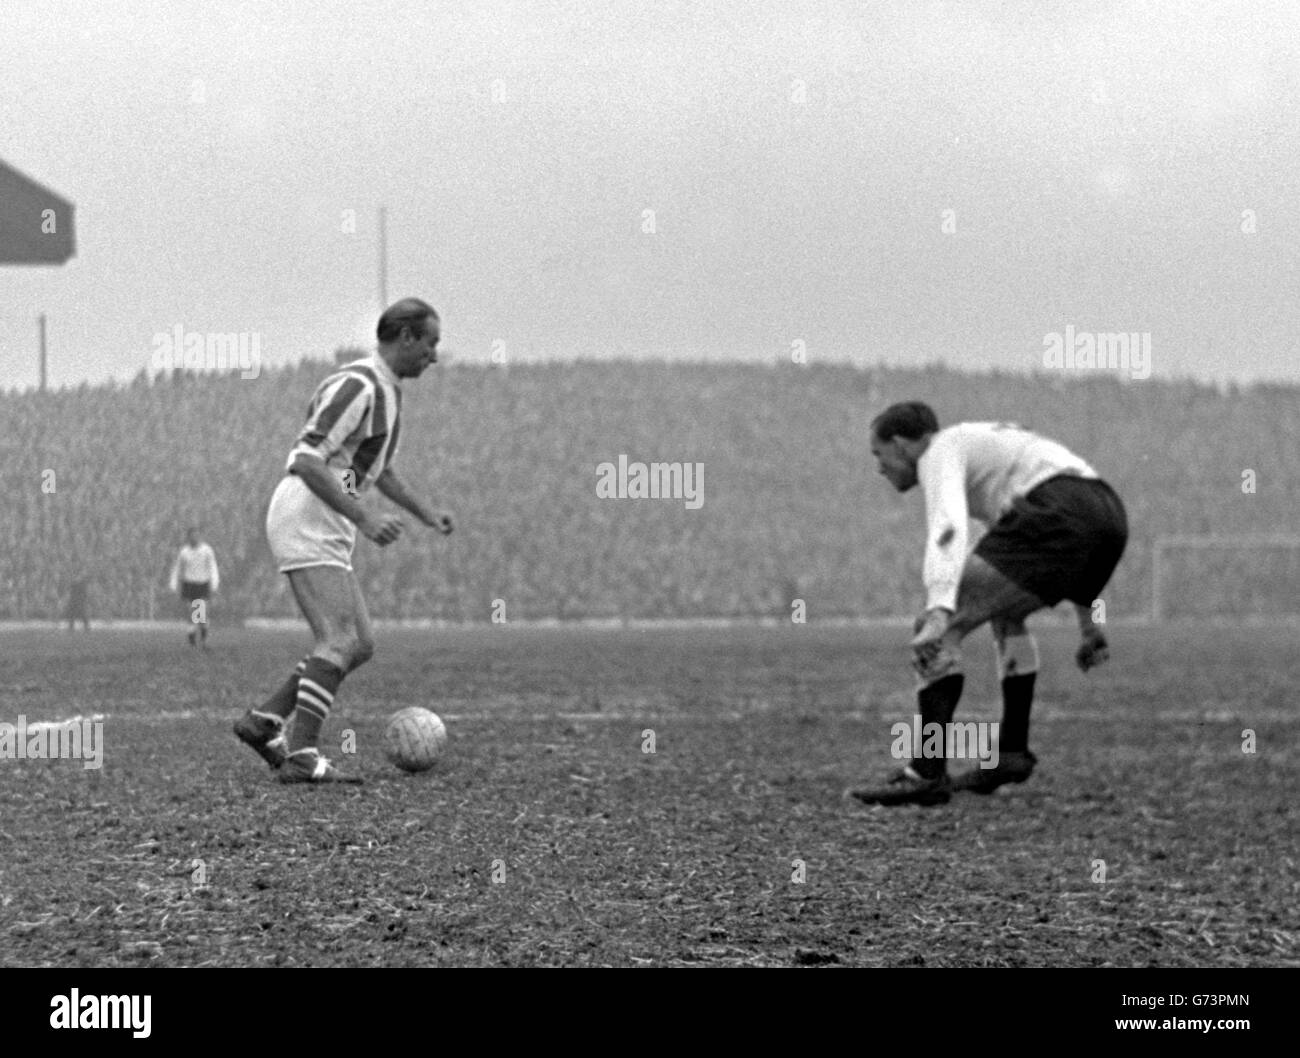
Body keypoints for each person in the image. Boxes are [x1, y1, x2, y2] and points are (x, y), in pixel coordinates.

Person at [849, 403, 1127, 807]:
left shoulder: (940, 450)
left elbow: (948, 526)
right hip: (1106, 511)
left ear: (901, 444)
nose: (879, 467)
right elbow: (1077, 526)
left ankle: (926, 772)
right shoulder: (990, 456)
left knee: (935, 631)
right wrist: (1088, 625)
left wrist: (941, 609)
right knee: (1005, 612)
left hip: (1058, 511)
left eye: (878, 454)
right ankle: (1011, 753)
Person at [233, 298, 454, 784]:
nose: (435, 356)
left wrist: (425, 514)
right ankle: (302, 754)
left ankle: (265, 720)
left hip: (329, 517)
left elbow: (374, 472)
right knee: (337, 639)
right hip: (308, 513)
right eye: (431, 343)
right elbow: (308, 459)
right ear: (406, 337)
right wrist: (366, 519)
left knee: (360, 644)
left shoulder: (388, 393)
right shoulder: (360, 384)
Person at [169, 528, 219, 648]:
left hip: (202, 584)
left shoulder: (207, 550)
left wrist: (215, 582)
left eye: (196, 535)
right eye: (192, 536)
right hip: (189, 584)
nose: (194, 538)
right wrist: (173, 583)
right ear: (188, 537)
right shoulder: (184, 552)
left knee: (201, 614)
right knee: (191, 614)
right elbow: (178, 568)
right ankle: (194, 641)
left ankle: (202, 640)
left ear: (200, 537)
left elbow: (212, 566)